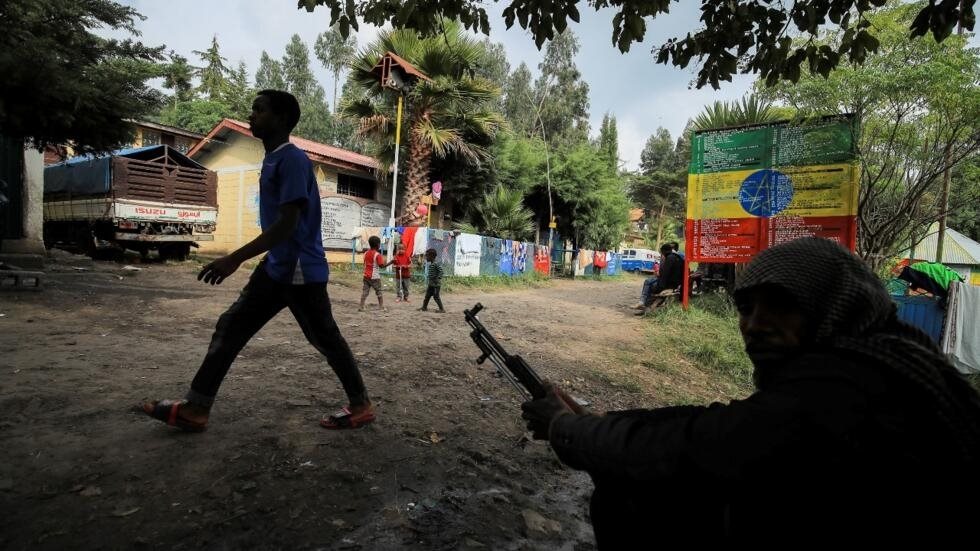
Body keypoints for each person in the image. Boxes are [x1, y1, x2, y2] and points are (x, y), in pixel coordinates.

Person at [522, 237, 980, 546]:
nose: (755, 324)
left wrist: (567, 429)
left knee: (631, 494)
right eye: (746, 306)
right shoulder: (893, 354)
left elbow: (700, 448)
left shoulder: (849, 385)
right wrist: (611, 421)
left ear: (832, 303)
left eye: (779, 305)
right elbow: (733, 419)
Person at [139, 90, 375, 432]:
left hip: (298, 270)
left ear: (281, 119)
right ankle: (196, 407)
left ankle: (361, 404)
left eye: (259, 110)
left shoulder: (292, 160)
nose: (252, 115)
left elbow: (288, 224)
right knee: (231, 327)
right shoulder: (274, 159)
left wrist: (234, 258)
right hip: (277, 266)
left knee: (324, 337)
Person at [635, 243, 683, 315]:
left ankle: (645, 307)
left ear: (664, 251)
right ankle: (644, 305)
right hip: (676, 284)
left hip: (670, 285)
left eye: (661, 252)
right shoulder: (679, 258)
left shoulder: (669, 258)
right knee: (649, 282)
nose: (661, 254)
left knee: (651, 286)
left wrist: (660, 287)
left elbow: (665, 274)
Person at [359, 235, 390, 312]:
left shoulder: (366, 253)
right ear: (377, 244)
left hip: (366, 276)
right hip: (375, 277)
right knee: (379, 291)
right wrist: (391, 262)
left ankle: (361, 306)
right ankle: (381, 306)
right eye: (379, 244)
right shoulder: (377, 255)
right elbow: (381, 266)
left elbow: (365, 263)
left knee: (365, 291)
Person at [419, 248, 445, 313]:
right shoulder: (431, 264)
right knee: (427, 296)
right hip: (431, 284)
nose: (426, 257)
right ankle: (424, 307)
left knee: (436, 297)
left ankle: (442, 309)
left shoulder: (436, 264)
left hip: (436, 285)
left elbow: (441, 271)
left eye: (427, 256)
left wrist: (437, 278)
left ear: (431, 256)